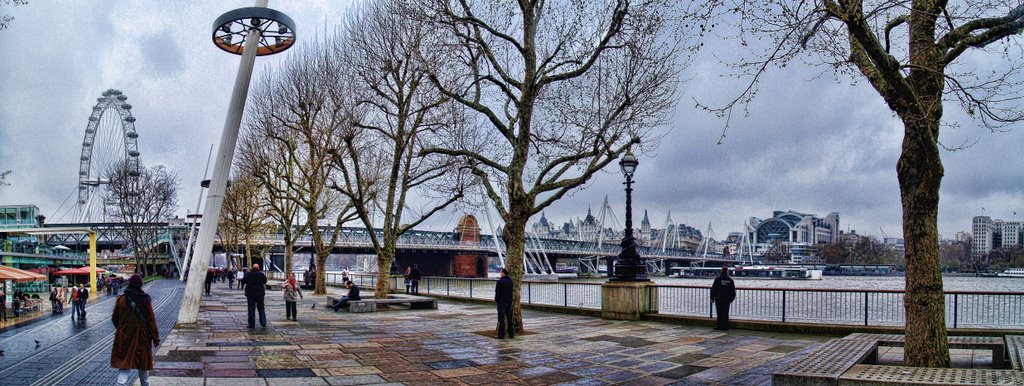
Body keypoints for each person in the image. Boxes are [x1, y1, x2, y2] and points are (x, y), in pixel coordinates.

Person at [110, 274, 160, 386]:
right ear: (140, 284)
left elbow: (114, 318)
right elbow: (151, 321)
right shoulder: (145, 300)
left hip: (125, 338)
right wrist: (156, 338)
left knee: (124, 367)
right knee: (144, 371)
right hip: (142, 338)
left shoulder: (121, 299)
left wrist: (122, 329)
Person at [710, 266, 736, 331]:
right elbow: (733, 291)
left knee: (719, 313)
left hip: (718, 299)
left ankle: (719, 326)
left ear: (721, 271)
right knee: (725, 313)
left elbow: (713, 289)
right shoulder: (730, 280)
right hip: (727, 299)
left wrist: (712, 298)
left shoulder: (717, 279)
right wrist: (731, 299)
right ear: (727, 271)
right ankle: (725, 326)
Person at [242, 263, 268, 328]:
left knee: (251, 309)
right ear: (258, 268)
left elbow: (244, 281)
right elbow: (265, 281)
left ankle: (251, 324)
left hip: (250, 294)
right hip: (260, 293)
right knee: (261, 308)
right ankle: (263, 322)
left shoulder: (248, 274)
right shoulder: (261, 274)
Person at [494, 268, 514, 339]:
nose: (500, 274)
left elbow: (497, 293)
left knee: (501, 319)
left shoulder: (500, 282)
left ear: (503, 273)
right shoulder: (511, 281)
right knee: (509, 319)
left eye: (500, 272)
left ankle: (501, 334)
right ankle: (511, 333)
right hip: (509, 302)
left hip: (501, 303)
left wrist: (497, 300)